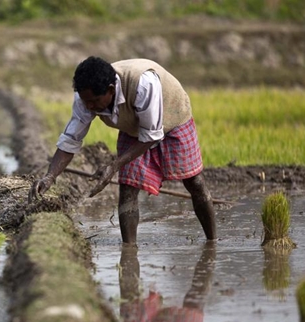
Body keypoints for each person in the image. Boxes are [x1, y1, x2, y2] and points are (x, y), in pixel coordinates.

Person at [29, 56, 216, 243]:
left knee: (194, 182)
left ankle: (212, 242)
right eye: (87, 102)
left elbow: (151, 135)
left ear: (110, 90)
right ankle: (129, 249)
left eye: (94, 101)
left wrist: (113, 166)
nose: (90, 107)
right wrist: (50, 176)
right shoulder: (85, 97)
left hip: (173, 116)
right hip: (133, 128)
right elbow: (71, 139)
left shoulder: (143, 84)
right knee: (128, 187)